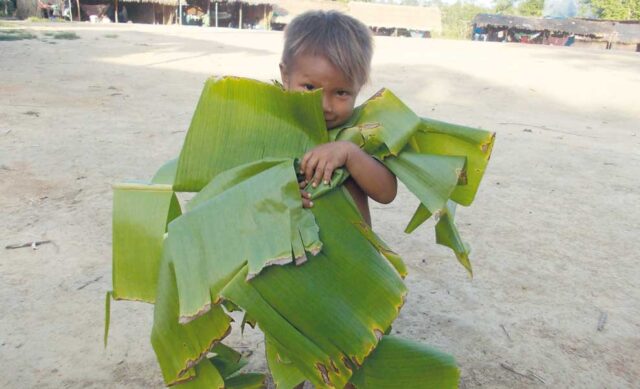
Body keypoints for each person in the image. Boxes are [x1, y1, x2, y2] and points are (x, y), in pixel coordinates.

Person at [279, 10, 397, 226]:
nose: (325, 106)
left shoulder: (359, 132)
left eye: (341, 92)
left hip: (350, 257)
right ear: (285, 76)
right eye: (310, 87)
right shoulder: (269, 124)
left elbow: (387, 193)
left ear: (358, 87)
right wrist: (278, 191)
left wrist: (350, 153)